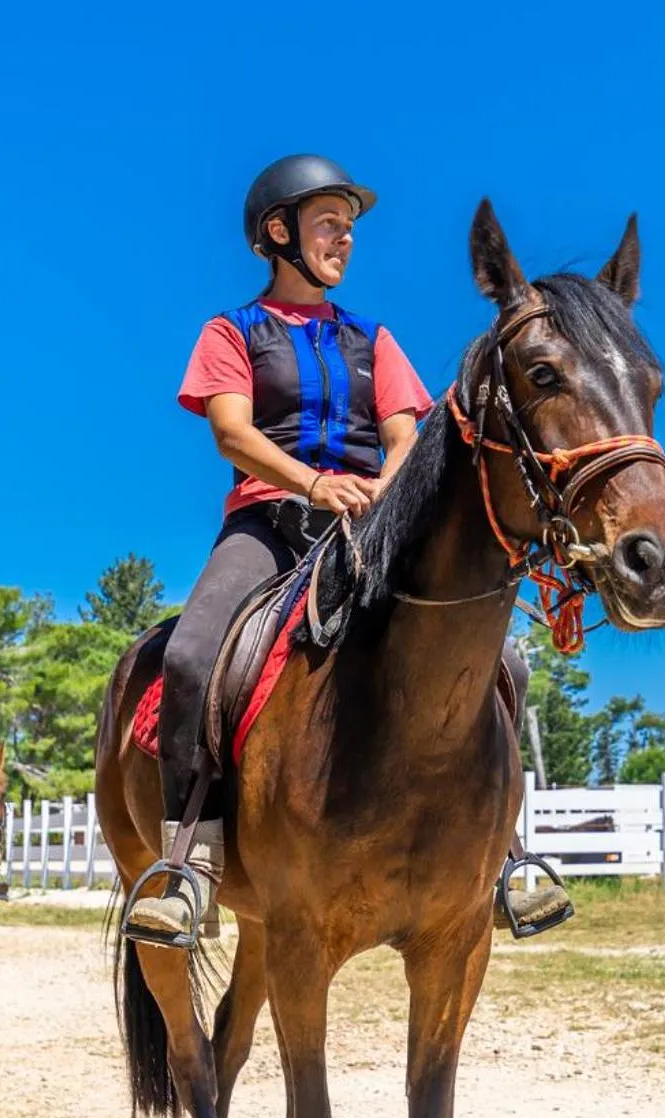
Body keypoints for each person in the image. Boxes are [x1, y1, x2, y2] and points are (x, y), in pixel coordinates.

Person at [125, 154, 571, 946]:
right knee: (192, 654)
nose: (345, 239)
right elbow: (233, 432)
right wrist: (313, 484)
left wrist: (382, 497)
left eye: (351, 227)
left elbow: (407, 434)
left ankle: (503, 852)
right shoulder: (234, 332)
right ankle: (187, 861)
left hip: (372, 528)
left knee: (508, 660)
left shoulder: (373, 339)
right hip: (269, 524)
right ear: (277, 232)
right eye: (329, 222)